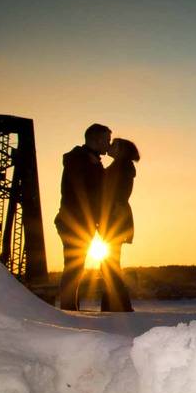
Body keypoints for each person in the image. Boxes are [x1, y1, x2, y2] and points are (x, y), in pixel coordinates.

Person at [54, 123, 110, 311]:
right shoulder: (80, 160)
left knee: (75, 266)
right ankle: (69, 308)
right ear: (97, 139)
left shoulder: (87, 159)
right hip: (75, 221)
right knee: (74, 267)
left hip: (78, 220)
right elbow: (82, 192)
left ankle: (70, 307)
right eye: (107, 140)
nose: (108, 145)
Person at [100, 138, 139, 312]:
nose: (110, 146)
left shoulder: (121, 167)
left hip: (115, 217)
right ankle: (112, 305)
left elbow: (115, 194)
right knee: (109, 264)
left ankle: (119, 305)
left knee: (109, 264)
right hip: (115, 216)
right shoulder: (122, 166)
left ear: (122, 150)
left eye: (114, 144)